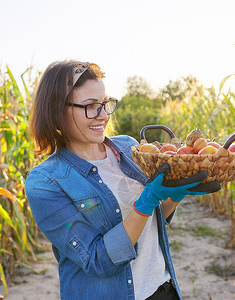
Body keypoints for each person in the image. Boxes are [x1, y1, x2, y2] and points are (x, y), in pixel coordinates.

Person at [24, 60, 220, 300]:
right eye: (91, 106)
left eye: (105, 104)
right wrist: (146, 201)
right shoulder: (45, 182)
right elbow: (98, 260)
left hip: (162, 288)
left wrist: (173, 197)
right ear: (57, 110)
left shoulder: (129, 148)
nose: (104, 115)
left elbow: (155, 218)